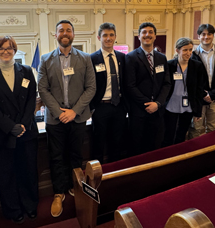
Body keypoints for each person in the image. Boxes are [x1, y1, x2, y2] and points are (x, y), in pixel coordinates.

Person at [38, 20, 96, 217]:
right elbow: (43, 89)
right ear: (55, 35)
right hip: (55, 119)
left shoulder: (86, 58)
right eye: (61, 30)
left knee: (76, 154)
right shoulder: (45, 60)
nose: (65, 33)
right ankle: (58, 192)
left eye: (68, 30)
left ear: (73, 34)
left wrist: (74, 111)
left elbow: (91, 88)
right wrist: (59, 112)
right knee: (56, 156)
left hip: (78, 118)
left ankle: (75, 186)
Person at [0, 36, 38, 224]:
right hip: (3, 133)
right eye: (1, 49)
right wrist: (11, 127)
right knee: (7, 174)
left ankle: (30, 206)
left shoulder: (27, 71)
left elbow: (31, 100)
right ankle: (13, 210)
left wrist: (22, 125)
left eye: (9, 48)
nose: (6, 51)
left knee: (28, 171)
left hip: (26, 131)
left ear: (15, 50)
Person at [125, 22, 171, 155]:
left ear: (155, 36)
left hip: (157, 112)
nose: (147, 35)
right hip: (138, 112)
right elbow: (130, 85)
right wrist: (147, 104)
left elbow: (166, 84)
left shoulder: (162, 58)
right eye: (144, 32)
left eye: (151, 32)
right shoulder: (131, 57)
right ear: (139, 36)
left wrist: (157, 104)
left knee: (155, 147)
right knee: (136, 148)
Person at [90, 22, 127, 163]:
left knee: (117, 144)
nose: (108, 38)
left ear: (115, 37)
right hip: (100, 107)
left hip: (119, 107)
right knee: (98, 144)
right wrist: (91, 108)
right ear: (99, 37)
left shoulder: (122, 58)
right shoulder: (92, 59)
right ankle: (97, 178)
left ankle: (115, 175)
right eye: (105, 35)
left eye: (111, 35)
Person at [162, 38, 204, 147]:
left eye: (190, 50)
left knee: (182, 133)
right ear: (177, 50)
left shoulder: (197, 66)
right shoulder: (169, 65)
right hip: (171, 105)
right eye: (185, 50)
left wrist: (198, 111)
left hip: (188, 106)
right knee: (168, 134)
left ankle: (178, 155)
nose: (188, 53)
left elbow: (199, 89)